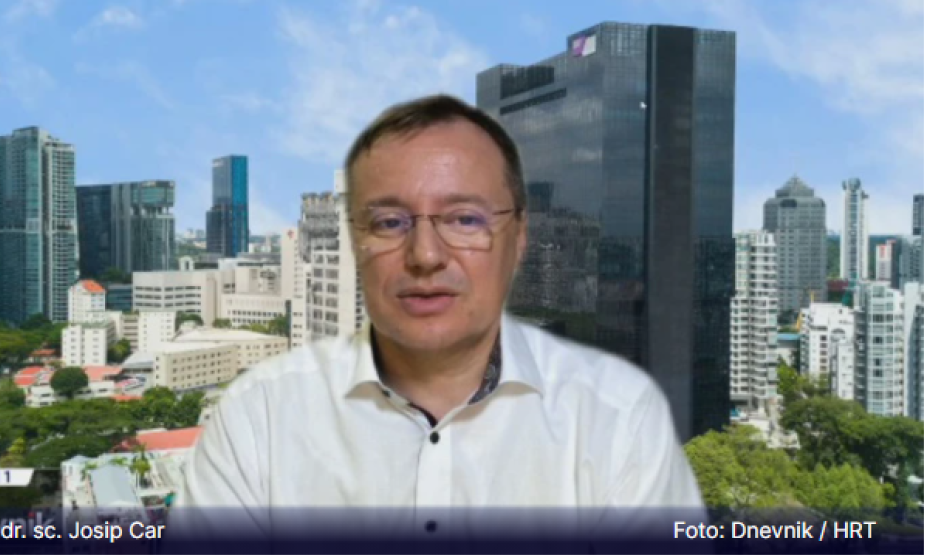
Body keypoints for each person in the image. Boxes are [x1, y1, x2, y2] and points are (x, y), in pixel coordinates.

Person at [173, 94, 704, 541]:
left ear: (519, 238)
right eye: (389, 222)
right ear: (354, 240)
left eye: (465, 219)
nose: (425, 255)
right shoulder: (259, 418)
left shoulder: (616, 419)